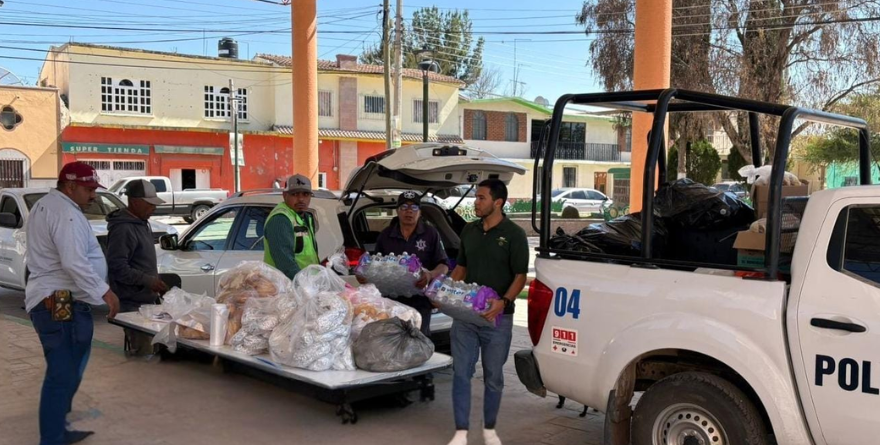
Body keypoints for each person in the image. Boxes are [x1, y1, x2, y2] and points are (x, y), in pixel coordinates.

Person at [25, 161, 120, 445]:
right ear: (70, 186)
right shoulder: (65, 213)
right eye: (89, 189)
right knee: (62, 371)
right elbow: (73, 262)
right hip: (59, 298)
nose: (93, 195)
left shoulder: (48, 205)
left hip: (58, 297)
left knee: (70, 366)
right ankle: (52, 437)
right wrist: (105, 292)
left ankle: (58, 428)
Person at [446, 179, 528, 445]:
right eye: (476, 197)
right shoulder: (469, 231)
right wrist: (444, 291)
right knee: (461, 372)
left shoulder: (514, 234)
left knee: (493, 376)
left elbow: (520, 276)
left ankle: (489, 429)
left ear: (498, 202)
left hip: (497, 319)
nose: (476, 202)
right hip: (466, 316)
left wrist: (503, 302)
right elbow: (461, 268)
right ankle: (461, 431)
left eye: (481, 198)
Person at [368, 190, 449, 337]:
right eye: (404, 207)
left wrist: (430, 275)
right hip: (392, 302)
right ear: (398, 211)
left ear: (420, 212)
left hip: (421, 301)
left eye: (414, 207)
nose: (409, 211)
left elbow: (444, 266)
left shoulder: (431, 234)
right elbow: (376, 266)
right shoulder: (385, 235)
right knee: (392, 341)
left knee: (419, 341)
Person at [106, 179, 169, 356]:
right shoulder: (123, 229)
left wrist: (154, 282)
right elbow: (117, 267)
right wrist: (148, 281)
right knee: (143, 356)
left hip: (146, 301)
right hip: (132, 304)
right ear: (134, 202)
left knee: (155, 353)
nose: (153, 208)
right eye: (149, 204)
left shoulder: (141, 223)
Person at [264, 174, 320, 279]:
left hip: (304, 283)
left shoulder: (305, 218)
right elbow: (286, 265)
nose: (301, 199)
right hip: (285, 285)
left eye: (306, 194)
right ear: (285, 195)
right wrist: (304, 284)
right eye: (295, 194)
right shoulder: (280, 219)